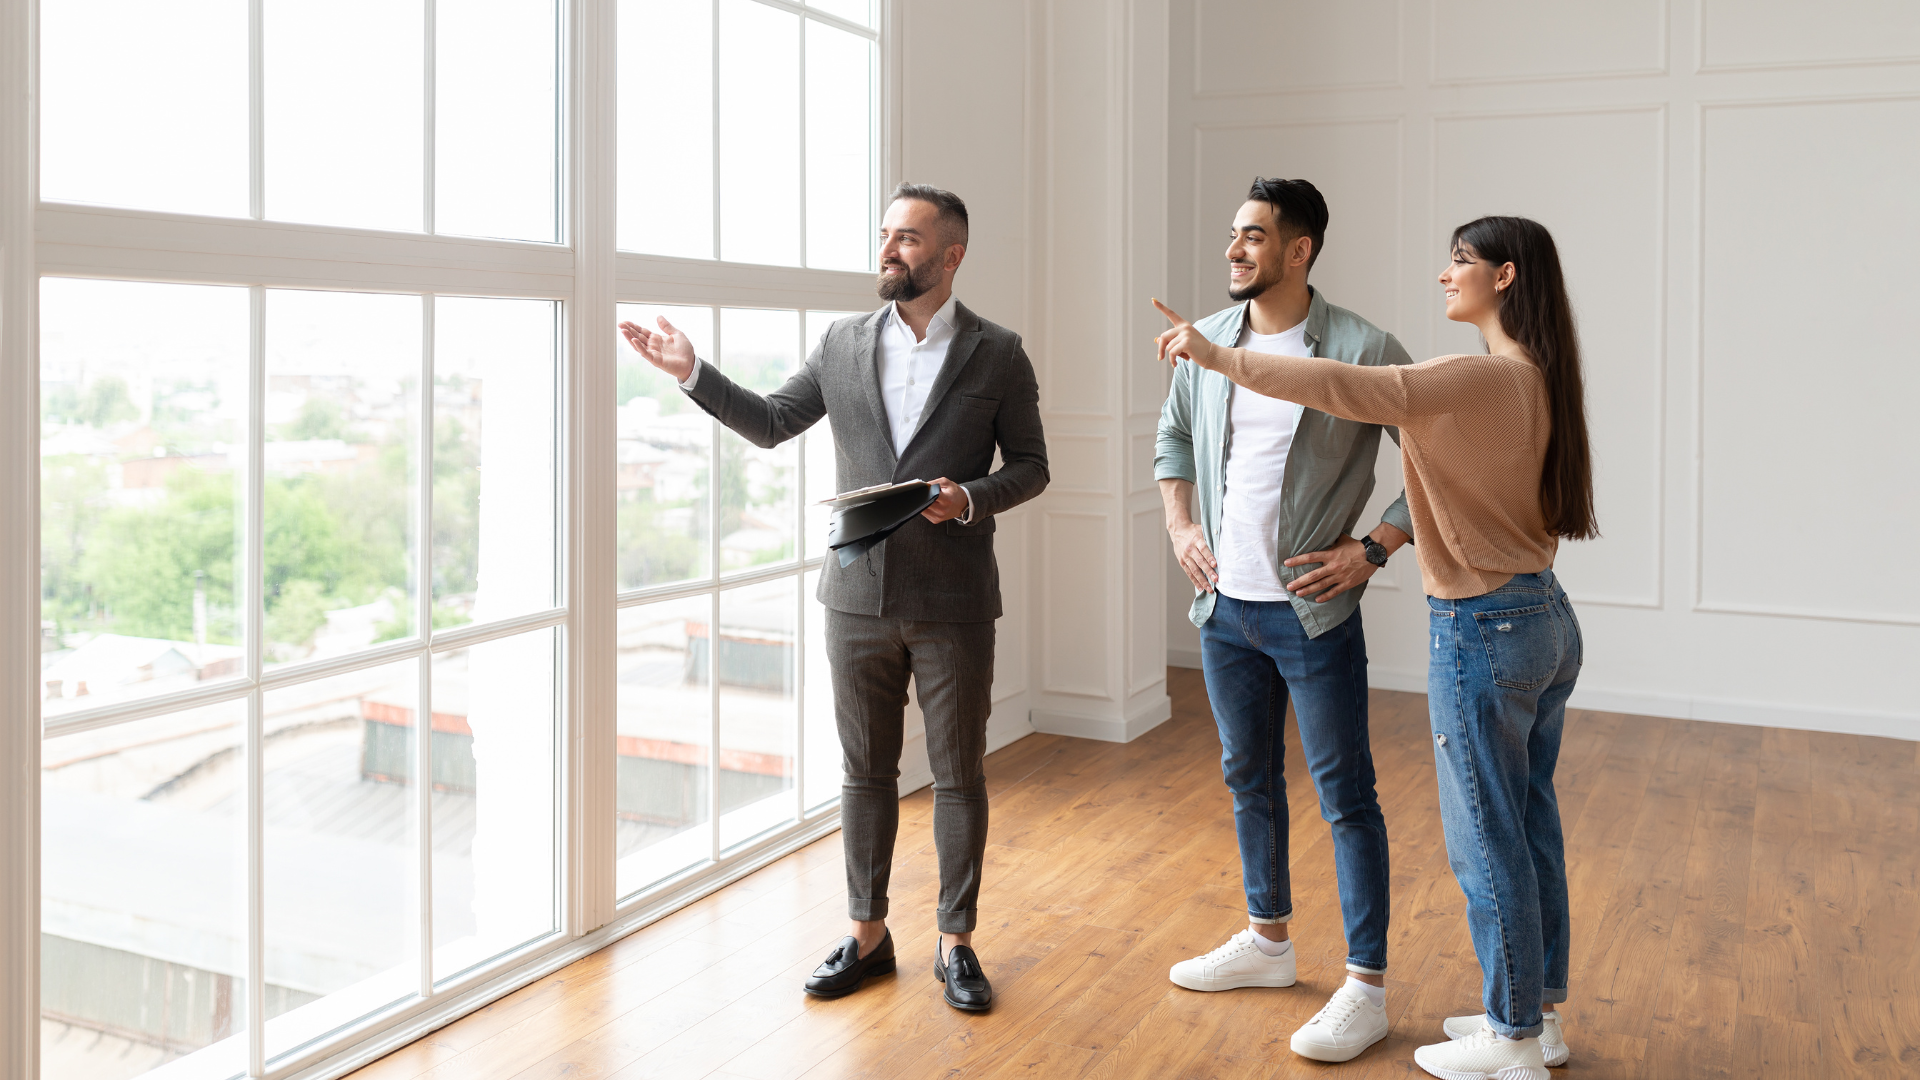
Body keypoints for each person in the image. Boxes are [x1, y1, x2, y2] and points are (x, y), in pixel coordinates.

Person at [1152, 214, 1597, 1080]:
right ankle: (1536, 1018)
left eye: (1460, 262)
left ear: (1505, 277)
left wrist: (1220, 358)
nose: (1444, 274)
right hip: (1541, 615)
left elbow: (1344, 386)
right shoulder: (1534, 377)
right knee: (1529, 820)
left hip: (1483, 627)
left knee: (1486, 838)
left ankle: (1508, 1040)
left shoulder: (1473, 377)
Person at [621, 183, 1047, 1014]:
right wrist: (692, 374)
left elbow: (1030, 466)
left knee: (959, 774)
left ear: (951, 254)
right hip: (854, 599)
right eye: (886, 233)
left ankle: (955, 942)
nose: (890, 249)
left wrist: (968, 499)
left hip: (955, 598)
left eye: (910, 238)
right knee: (865, 773)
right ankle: (867, 934)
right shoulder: (843, 342)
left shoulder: (998, 353)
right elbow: (775, 419)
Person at [1153, 177, 1413, 1065]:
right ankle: (1268, 943)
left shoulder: (1362, 347)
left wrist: (1374, 548)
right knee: (1248, 780)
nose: (1234, 250)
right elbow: (1174, 441)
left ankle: (1367, 988)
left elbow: (1436, 452)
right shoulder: (1210, 339)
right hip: (1225, 612)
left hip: (1315, 616)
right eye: (1233, 234)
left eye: (1254, 236)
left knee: (1348, 797)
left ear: (1299, 251)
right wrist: (1181, 523)